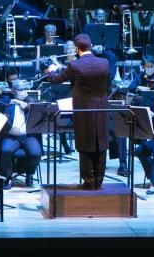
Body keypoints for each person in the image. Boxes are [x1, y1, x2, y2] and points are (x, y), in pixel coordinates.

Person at [46, 34, 110, 190]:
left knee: (85, 143)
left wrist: (51, 70)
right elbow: (108, 84)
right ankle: (99, 181)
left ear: (76, 49)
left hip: (83, 110)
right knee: (100, 143)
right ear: (91, 46)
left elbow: (56, 79)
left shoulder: (75, 65)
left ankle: (88, 181)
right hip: (102, 108)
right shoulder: (104, 62)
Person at [0, 79, 43, 189]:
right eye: (20, 90)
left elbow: (38, 106)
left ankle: (30, 174)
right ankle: (8, 177)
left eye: (24, 89)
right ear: (13, 91)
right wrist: (10, 99)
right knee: (5, 150)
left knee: (36, 152)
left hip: (28, 136)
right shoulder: (6, 102)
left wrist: (25, 104)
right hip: (11, 137)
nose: (23, 92)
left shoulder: (31, 100)